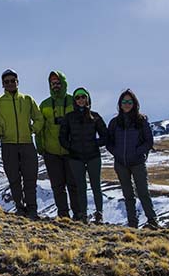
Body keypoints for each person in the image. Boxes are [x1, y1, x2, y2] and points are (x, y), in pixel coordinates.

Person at [0, 69, 44, 219]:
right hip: (8, 144)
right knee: (14, 179)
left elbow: (39, 118)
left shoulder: (27, 100)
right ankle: (20, 208)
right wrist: (1, 131)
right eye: (7, 82)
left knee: (30, 179)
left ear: (18, 82)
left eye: (13, 81)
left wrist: (33, 129)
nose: (10, 83)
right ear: (3, 84)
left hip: (27, 144)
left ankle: (32, 210)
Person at [107, 89, 159, 229]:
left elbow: (149, 141)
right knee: (128, 194)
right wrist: (116, 153)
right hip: (120, 163)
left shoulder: (141, 121)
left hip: (137, 163)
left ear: (134, 103)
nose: (127, 104)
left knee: (143, 192)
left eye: (130, 101)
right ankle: (132, 224)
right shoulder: (114, 122)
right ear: (120, 104)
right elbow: (109, 141)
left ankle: (152, 220)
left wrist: (138, 152)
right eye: (124, 101)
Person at [59, 87, 107, 224]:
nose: (81, 100)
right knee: (81, 187)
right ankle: (83, 214)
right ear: (74, 100)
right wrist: (71, 148)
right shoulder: (69, 117)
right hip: (76, 158)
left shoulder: (95, 116)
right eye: (78, 98)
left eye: (83, 97)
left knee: (96, 186)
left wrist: (95, 144)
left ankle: (99, 214)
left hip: (93, 157)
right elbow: (62, 137)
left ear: (88, 99)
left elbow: (106, 135)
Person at [37, 71, 79, 219]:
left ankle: (78, 214)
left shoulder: (74, 101)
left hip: (71, 151)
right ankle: (63, 215)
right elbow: (40, 128)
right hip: (51, 152)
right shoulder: (45, 104)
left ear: (63, 83)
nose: (55, 85)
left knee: (73, 185)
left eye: (57, 82)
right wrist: (40, 146)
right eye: (52, 83)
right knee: (57, 186)